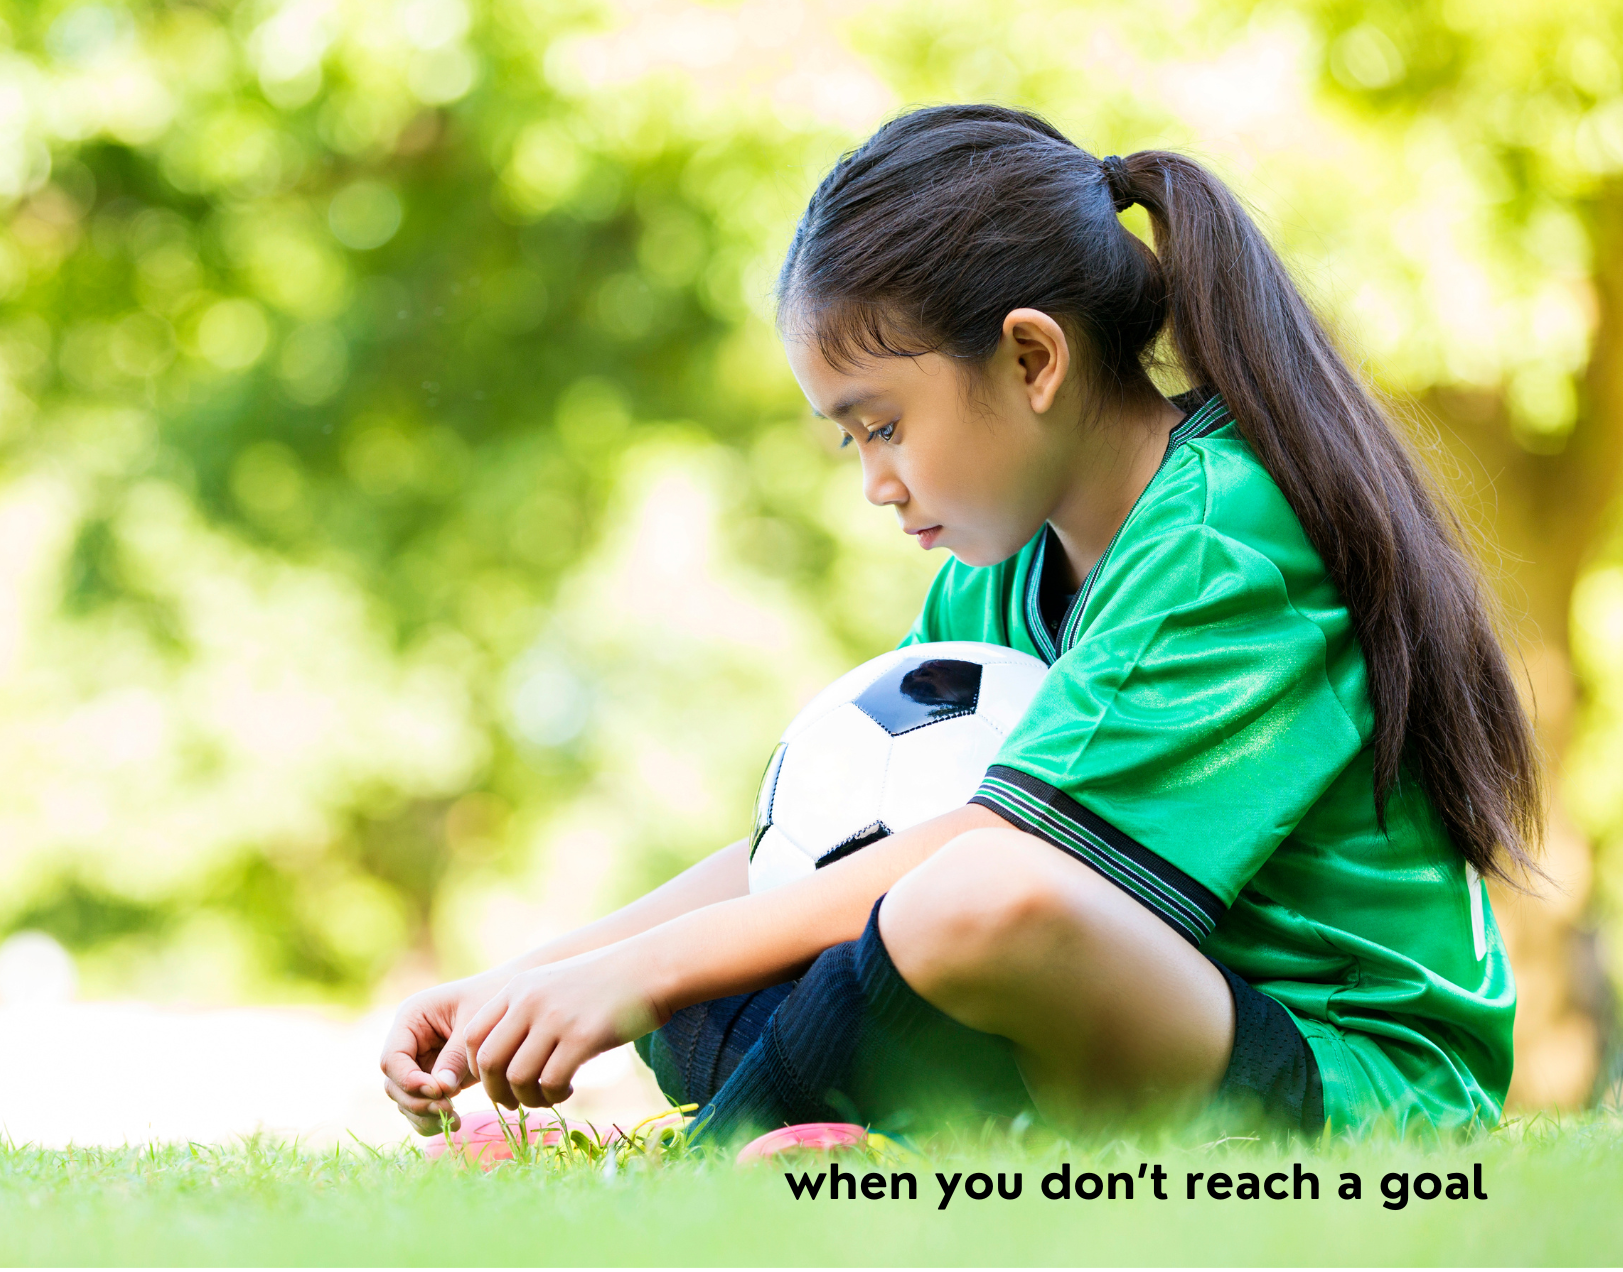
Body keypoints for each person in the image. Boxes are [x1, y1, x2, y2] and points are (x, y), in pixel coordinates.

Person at [379, 104, 1542, 1141]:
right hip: (1116, 1036)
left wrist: (633, 977)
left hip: (1346, 1086)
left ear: (1031, 358)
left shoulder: (1224, 535)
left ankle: (710, 1154)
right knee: (752, 946)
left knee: (975, 898)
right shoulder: (1000, 558)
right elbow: (824, 843)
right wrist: (530, 979)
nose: (872, 479)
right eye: (850, 440)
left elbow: (998, 861)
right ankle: (829, 1137)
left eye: (880, 425)